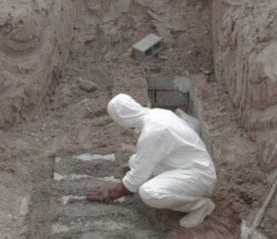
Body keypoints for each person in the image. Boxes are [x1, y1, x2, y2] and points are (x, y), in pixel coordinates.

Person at [86, 94, 217, 229]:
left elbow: (137, 177)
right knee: (134, 160)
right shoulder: (158, 113)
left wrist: (113, 193)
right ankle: (182, 192)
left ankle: (200, 206)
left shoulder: (152, 133)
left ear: (122, 120)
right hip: (190, 164)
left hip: (199, 177)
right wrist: (136, 167)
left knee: (148, 193)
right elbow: (145, 159)